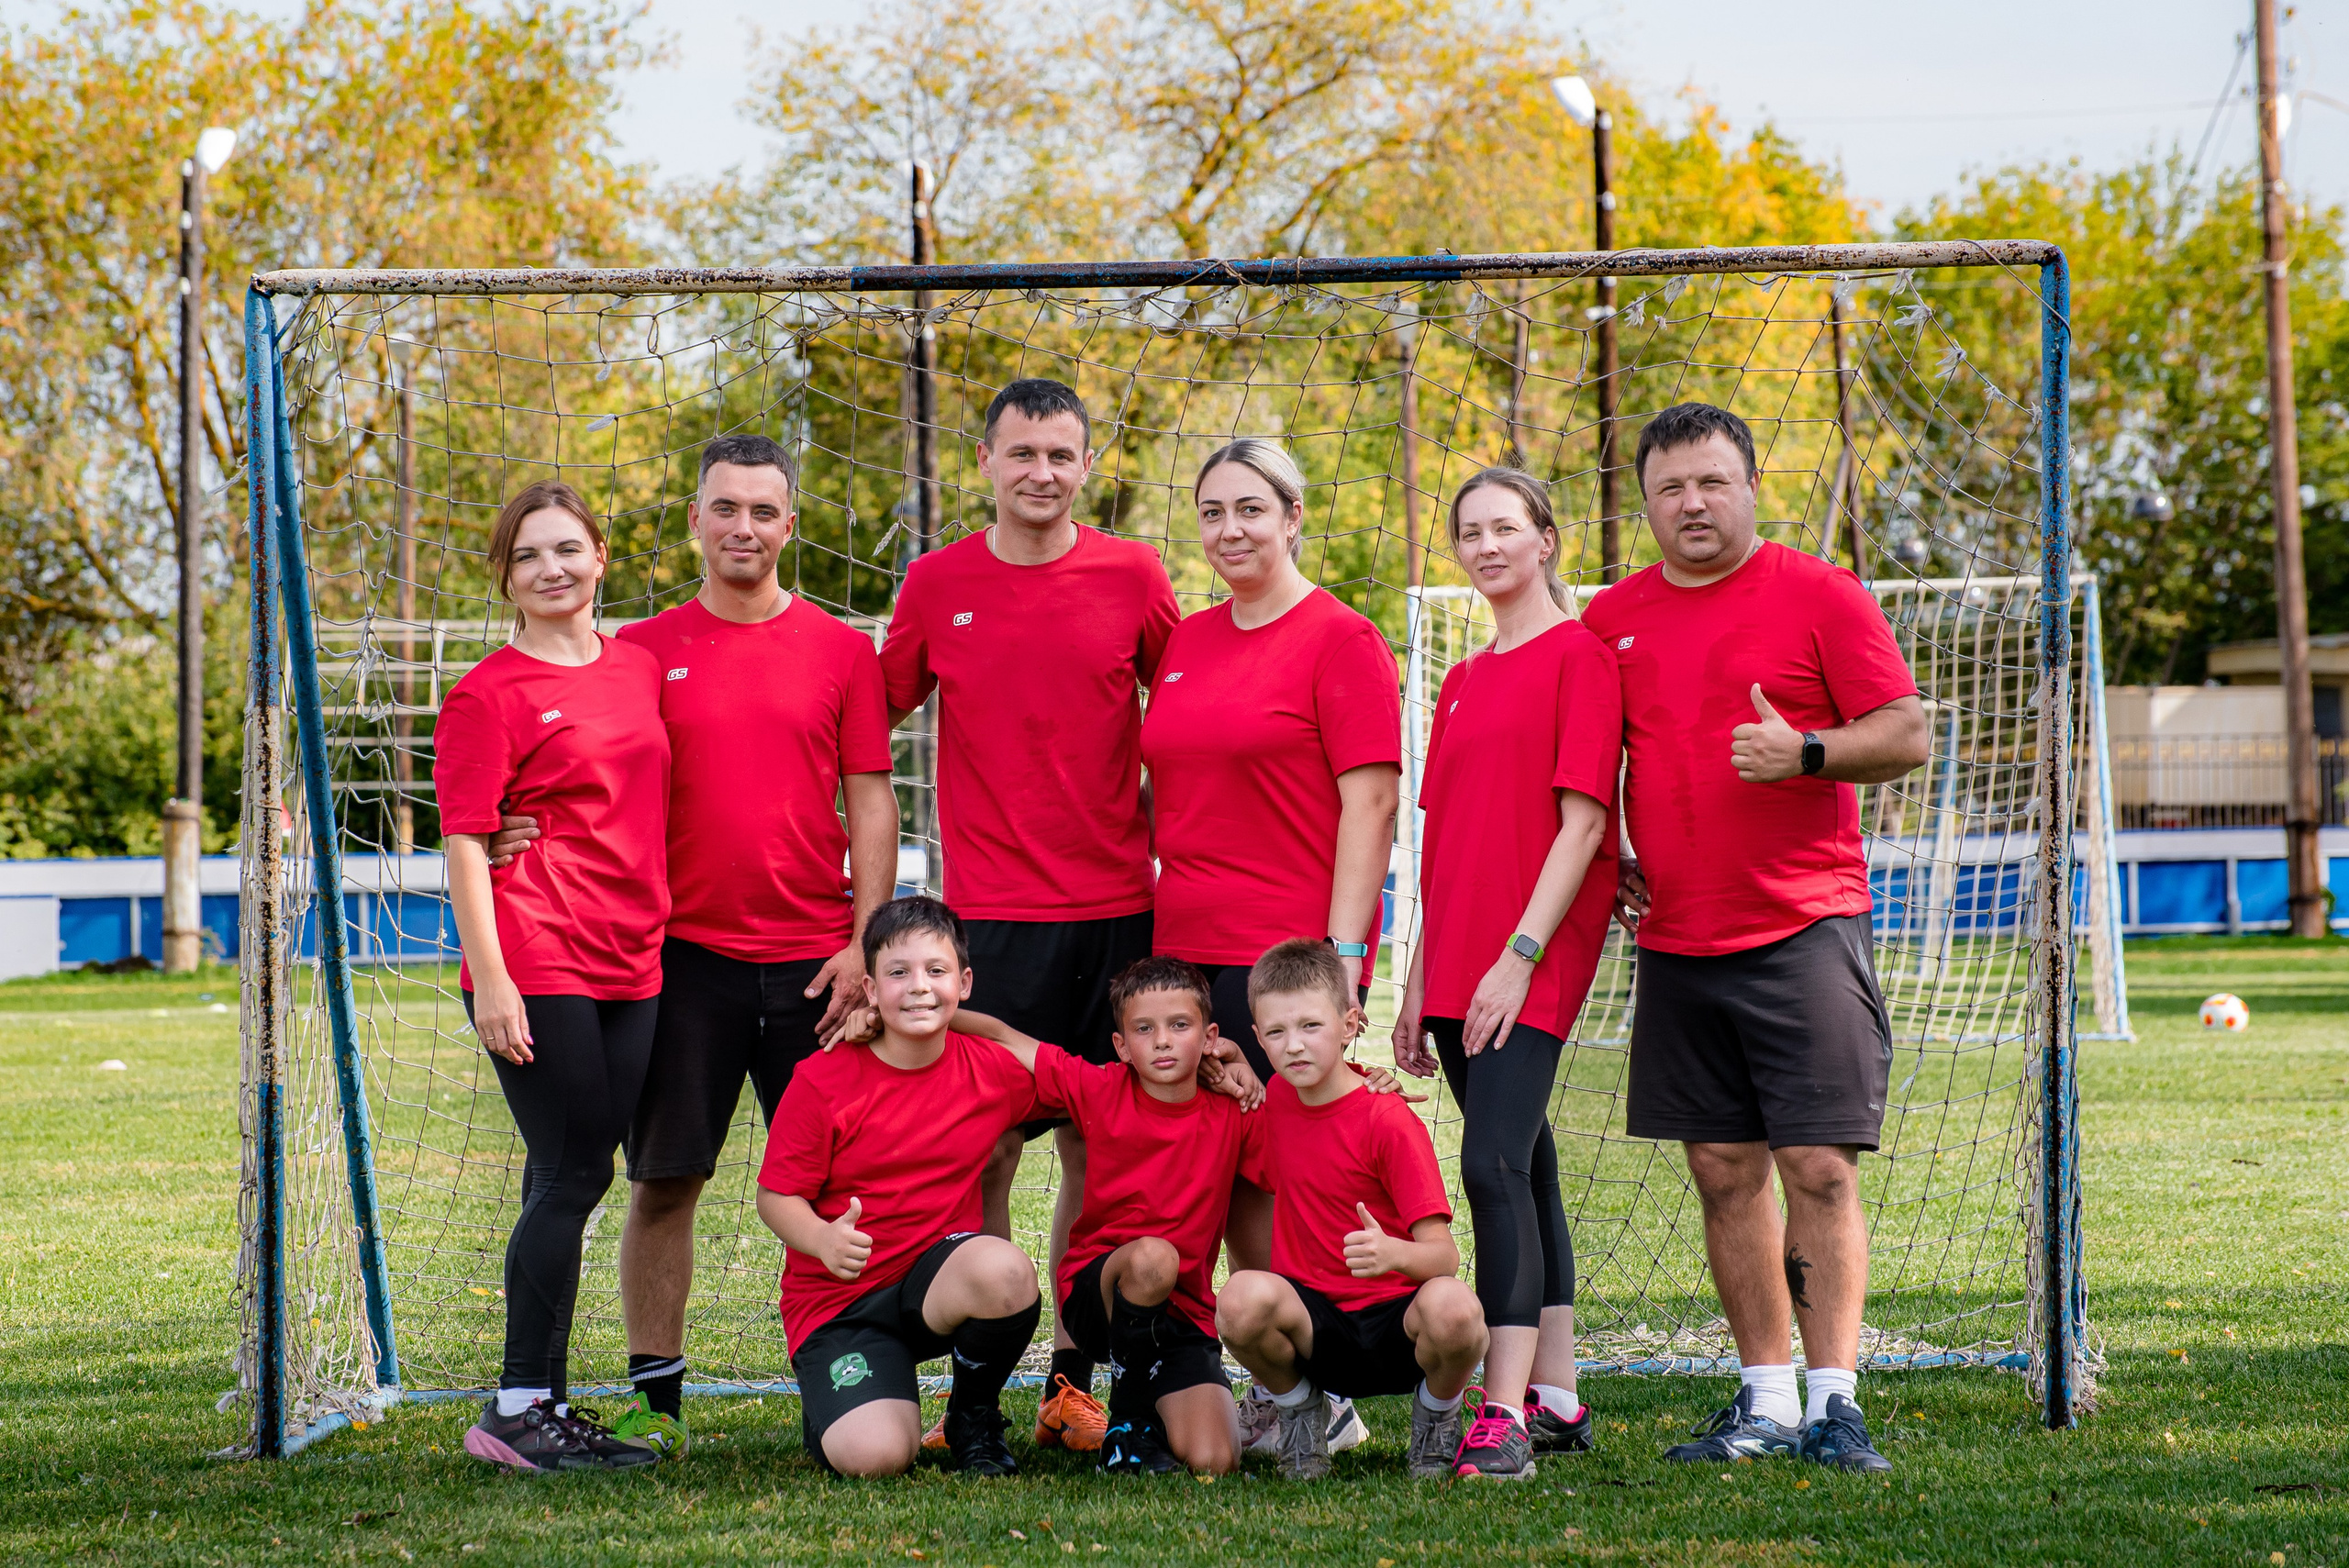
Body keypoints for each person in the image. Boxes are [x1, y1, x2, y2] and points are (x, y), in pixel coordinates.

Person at [485, 435, 897, 1460]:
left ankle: (849, 1378)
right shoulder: (635, 649)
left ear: (789, 526)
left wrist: (865, 943)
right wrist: (505, 822)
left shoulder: (843, 649)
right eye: (725, 509)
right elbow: (574, 760)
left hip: (818, 963)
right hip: (677, 961)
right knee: (664, 1181)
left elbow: (873, 797)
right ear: (693, 521)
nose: (743, 528)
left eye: (764, 510)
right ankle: (652, 1400)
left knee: (845, 1184)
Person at [1581, 402, 1929, 1473]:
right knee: (1723, 1169)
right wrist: (1611, 860)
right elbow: (1592, 763)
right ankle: (1765, 1400)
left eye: (1711, 482)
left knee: (1818, 1165)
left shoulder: (1818, 592)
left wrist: (1810, 752)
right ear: (1644, 502)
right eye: (1670, 486)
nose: (1692, 502)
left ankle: (1836, 1403)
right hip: (1679, 939)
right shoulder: (1609, 619)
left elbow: (1907, 729)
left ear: (1748, 486)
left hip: (1803, 924)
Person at [878, 377, 1180, 1449]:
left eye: (1060, 453)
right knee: (988, 1153)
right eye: (1022, 453)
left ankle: (1071, 1378)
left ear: (1084, 464)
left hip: (1117, 913)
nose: (1040, 472)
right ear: (987, 460)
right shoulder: (937, 582)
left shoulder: (1133, 575)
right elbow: (857, 724)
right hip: (990, 922)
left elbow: (1194, 709)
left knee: (1101, 1155)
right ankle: (976, 1394)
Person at [1139, 436, 1400, 1451]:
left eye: (1252, 508)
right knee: (1218, 1170)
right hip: (1184, 950)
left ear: (1294, 515)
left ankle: (1318, 1384)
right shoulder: (1189, 641)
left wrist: (1337, 963)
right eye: (1212, 511)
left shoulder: (1340, 638)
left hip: (1284, 955)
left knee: (1284, 1172)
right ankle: (1289, 1390)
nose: (1230, 529)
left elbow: (1369, 799)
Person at [436, 480, 669, 1473]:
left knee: (568, 1171)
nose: (551, 568)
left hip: (635, 954)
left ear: (600, 557)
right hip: (539, 954)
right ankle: (519, 1403)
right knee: (575, 1170)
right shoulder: (486, 692)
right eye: (529, 554)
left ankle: (545, 1400)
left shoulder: (641, 668)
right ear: (506, 574)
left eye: (568, 548)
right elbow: (464, 840)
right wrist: (492, 978)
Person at [1390, 467, 1618, 1481]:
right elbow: (1441, 846)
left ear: (1545, 540)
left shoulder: (1582, 657)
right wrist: (1413, 981)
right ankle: (1558, 1392)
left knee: (1487, 1168)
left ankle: (1503, 1412)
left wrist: (1518, 957)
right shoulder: (1461, 677)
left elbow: (1583, 822)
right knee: (1525, 1162)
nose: (1486, 546)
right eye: (1469, 532)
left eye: (1505, 528)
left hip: (1531, 949)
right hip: (1457, 955)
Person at [754, 896, 1048, 1478]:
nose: (919, 987)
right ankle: (842, 1402)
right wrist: (820, 1238)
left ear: (964, 982)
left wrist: (1231, 1060)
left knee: (1006, 1270)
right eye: (898, 974)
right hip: (843, 1304)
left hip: (934, 1287)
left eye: (936, 972)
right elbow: (774, 1196)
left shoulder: (991, 1069)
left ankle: (973, 1416)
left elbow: (1095, 1086)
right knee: (878, 1458)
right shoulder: (822, 1079)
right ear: (868, 987)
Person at [1214, 940, 1486, 1482]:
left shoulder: (1387, 1119)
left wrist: (1390, 1253)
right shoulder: (1276, 1105)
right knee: (1241, 1299)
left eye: (1311, 1027)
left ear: (1350, 1023)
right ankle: (1301, 1416)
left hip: (1398, 1329)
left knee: (1455, 1309)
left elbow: (1444, 1258)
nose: (1294, 1046)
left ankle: (1436, 1423)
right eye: (1276, 1033)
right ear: (1257, 1039)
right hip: (1316, 1332)